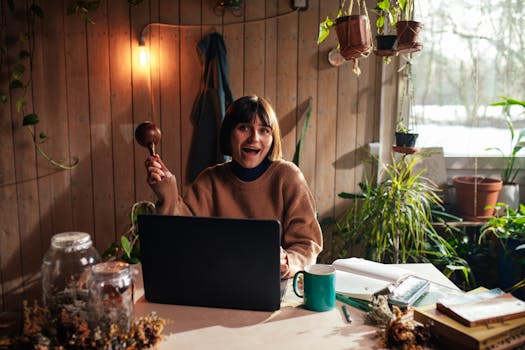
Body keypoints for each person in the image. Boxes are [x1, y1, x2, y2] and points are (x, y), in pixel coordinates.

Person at [145, 95, 322, 279]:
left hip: (276, 285)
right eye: (244, 128)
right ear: (229, 133)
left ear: (272, 138)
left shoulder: (288, 177)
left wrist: (287, 261)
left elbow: (308, 244)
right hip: (216, 282)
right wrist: (167, 189)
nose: (254, 138)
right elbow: (182, 237)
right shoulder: (209, 180)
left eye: (264, 130)